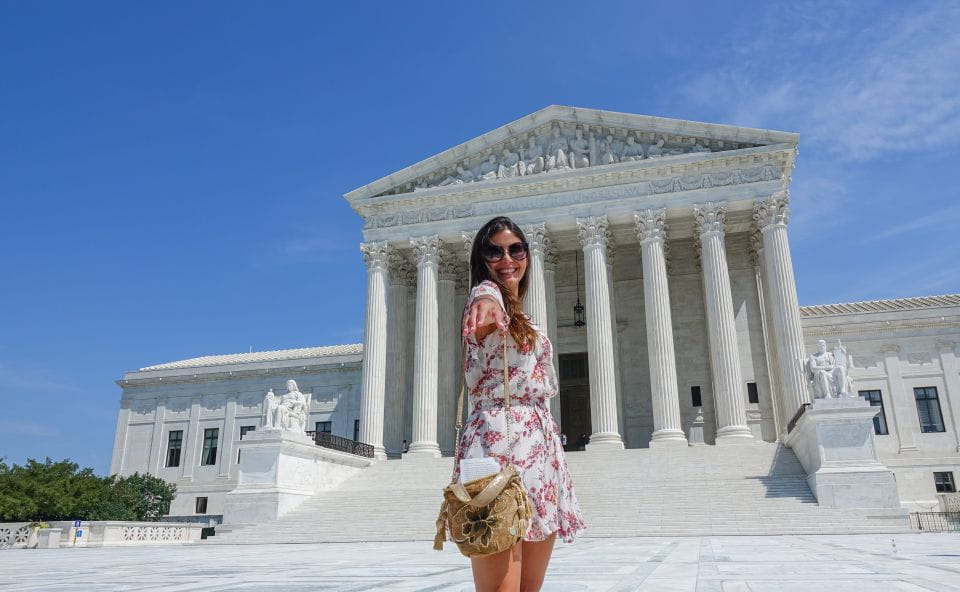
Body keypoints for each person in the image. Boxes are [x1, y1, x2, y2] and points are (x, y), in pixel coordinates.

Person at [457, 216, 585, 592]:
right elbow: (483, 304)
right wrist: (484, 296)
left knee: (529, 587)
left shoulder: (521, 312)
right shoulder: (486, 297)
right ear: (481, 260)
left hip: (538, 453)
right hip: (497, 449)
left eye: (516, 249)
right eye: (493, 251)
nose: (506, 258)